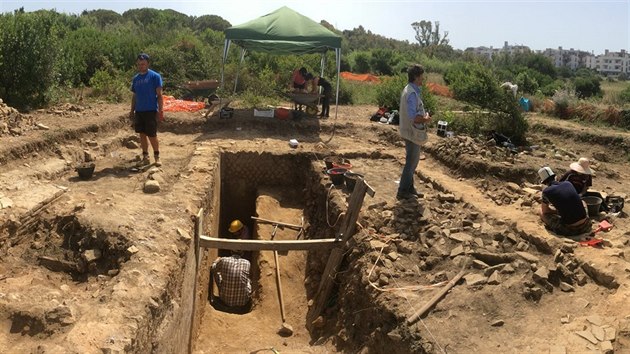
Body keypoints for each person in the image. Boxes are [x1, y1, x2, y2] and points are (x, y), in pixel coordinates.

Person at [397, 64, 431, 200]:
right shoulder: (411, 93)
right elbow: (414, 118)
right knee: (411, 162)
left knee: (412, 161)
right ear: (416, 77)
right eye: (421, 76)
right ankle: (403, 190)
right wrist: (426, 119)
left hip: (410, 131)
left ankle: (409, 188)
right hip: (412, 132)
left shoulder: (411, 90)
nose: (423, 79)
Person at [130, 53, 164, 167]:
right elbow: (134, 96)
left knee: (152, 135)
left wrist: (160, 110)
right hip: (139, 111)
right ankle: (145, 156)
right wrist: (132, 110)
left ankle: (157, 156)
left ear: (148, 64)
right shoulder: (136, 79)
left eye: (143, 64)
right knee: (142, 134)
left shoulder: (155, 76)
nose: (141, 66)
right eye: (139, 64)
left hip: (150, 110)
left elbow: (159, 95)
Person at [538, 166, 592, 236]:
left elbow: (545, 211)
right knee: (583, 202)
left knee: (541, 212)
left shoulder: (546, 192)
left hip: (569, 230)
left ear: (544, 183)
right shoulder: (568, 183)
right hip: (586, 225)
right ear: (555, 177)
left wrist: (556, 211)